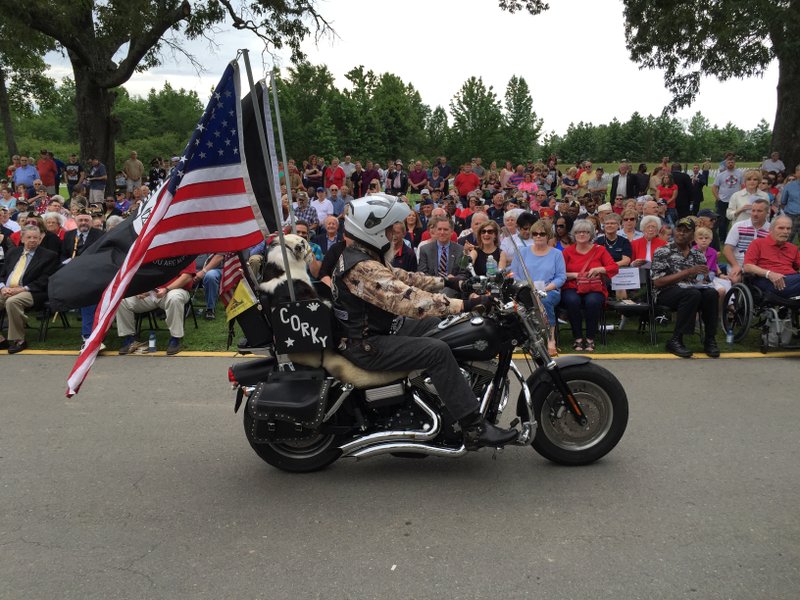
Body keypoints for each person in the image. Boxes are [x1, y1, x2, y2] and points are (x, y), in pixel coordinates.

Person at [331, 193, 517, 449]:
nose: (392, 235)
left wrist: (450, 282)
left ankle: (437, 393)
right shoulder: (362, 267)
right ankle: (474, 426)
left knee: (443, 327)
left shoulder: (363, 255)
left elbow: (402, 277)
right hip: (366, 345)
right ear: (371, 229)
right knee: (437, 351)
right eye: (387, 229)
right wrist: (464, 303)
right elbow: (409, 301)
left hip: (377, 332)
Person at [651, 217, 720, 358]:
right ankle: (676, 339)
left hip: (693, 291)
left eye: (686, 231)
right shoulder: (663, 251)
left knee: (712, 293)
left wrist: (703, 278)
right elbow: (658, 282)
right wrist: (688, 272)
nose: (681, 233)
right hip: (666, 292)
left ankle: (710, 339)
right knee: (691, 294)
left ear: (692, 235)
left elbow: (700, 279)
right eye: (679, 230)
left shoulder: (698, 254)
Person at [508, 217, 566, 355]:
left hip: (548, 290)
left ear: (548, 235)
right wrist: (524, 287)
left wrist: (545, 289)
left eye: (542, 234)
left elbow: (561, 277)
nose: (538, 236)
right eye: (535, 234)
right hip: (525, 290)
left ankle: (550, 339)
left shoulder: (556, 254)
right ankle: (522, 338)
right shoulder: (522, 252)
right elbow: (514, 273)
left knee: (543, 300)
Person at [560, 219, 619, 352]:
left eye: (586, 232)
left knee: (593, 301)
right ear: (574, 234)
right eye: (579, 232)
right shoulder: (567, 252)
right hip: (572, 286)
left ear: (591, 234)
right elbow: (560, 273)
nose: (582, 235)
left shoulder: (600, 250)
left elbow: (613, 267)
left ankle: (590, 338)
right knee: (572, 300)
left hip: (594, 287)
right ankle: (578, 338)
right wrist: (576, 275)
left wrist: (599, 269)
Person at [0, 226, 60, 354]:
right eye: (29, 237)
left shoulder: (49, 256)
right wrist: (2, 287)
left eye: (35, 238)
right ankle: (1, 340)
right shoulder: (13, 252)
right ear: (22, 239)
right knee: (9, 298)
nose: (32, 240)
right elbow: (3, 273)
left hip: (32, 291)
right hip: (7, 289)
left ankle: (19, 340)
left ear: (40, 240)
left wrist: (22, 289)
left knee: (12, 302)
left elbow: (45, 279)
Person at [116, 262, 196, 356]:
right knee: (122, 300)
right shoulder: (156, 252)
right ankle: (129, 339)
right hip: (152, 293)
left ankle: (175, 338)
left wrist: (166, 289)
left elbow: (187, 277)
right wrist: (140, 289)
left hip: (176, 290)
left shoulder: (185, 252)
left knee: (174, 298)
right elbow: (144, 274)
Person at [743, 215, 800, 299]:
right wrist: (769, 274)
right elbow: (747, 266)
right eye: (781, 228)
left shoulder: (793, 248)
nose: (785, 232)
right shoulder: (758, 243)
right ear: (771, 230)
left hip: (790, 280)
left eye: (788, 229)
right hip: (768, 281)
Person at [722, 197, 771, 283]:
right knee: (736, 280)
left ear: (767, 213)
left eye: (759, 211)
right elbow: (727, 249)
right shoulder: (739, 226)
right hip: (739, 263)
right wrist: (735, 266)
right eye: (753, 210)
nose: (755, 214)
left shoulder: (771, 230)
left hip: (761, 266)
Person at [711, 153, 744, 241]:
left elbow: (743, 185)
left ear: (734, 163)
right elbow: (714, 187)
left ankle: (736, 238)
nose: (730, 164)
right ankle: (722, 238)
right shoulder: (721, 175)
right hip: (723, 201)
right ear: (725, 163)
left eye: (732, 162)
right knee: (722, 221)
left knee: (736, 220)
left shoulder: (740, 174)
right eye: (728, 162)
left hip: (736, 201)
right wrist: (718, 198)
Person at [781, 164, 800, 244]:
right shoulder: (789, 186)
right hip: (792, 216)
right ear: (796, 173)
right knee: (788, 240)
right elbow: (783, 202)